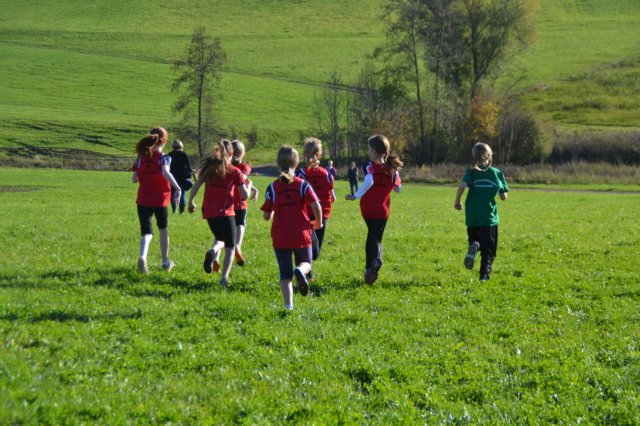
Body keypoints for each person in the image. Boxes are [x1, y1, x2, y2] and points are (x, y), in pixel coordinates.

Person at [261, 145, 322, 310]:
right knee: (306, 263)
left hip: (281, 236)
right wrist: (319, 222)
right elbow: (316, 205)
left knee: (285, 274)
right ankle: (301, 271)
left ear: (278, 164)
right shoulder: (303, 185)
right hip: (301, 234)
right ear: (296, 164)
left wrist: (272, 212)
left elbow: (266, 215)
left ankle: (289, 306)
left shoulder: (272, 187)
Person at [188, 139, 250, 287]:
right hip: (226, 213)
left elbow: (196, 186)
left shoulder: (209, 169)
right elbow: (245, 195)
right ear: (231, 154)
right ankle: (224, 278)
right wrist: (249, 186)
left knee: (220, 238)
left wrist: (191, 202)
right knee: (230, 246)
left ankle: (213, 250)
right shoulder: (234, 171)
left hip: (209, 213)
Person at [345, 134, 402, 285]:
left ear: (375, 151)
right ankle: (374, 264)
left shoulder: (368, 166)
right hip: (382, 211)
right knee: (375, 239)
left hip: (368, 210)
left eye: (369, 148)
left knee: (372, 238)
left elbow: (369, 181)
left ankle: (370, 268)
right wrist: (396, 176)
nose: (368, 151)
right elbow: (398, 189)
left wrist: (356, 195)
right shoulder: (391, 169)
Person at [454, 142, 509, 282]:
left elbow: (462, 186)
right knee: (488, 251)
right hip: (488, 217)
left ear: (474, 156)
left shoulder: (471, 172)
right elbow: (503, 197)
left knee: (475, 240)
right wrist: (501, 192)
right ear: (490, 156)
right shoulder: (496, 173)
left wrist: (457, 201)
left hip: (472, 215)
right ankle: (484, 276)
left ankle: (475, 245)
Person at [131, 127, 182, 274]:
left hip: (143, 200)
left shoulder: (140, 158)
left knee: (146, 232)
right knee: (163, 229)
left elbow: (134, 179)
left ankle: (143, 256)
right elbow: (165, 172)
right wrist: (177, 188)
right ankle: (165, 261)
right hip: (160, 200)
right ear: (164, 141)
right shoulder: (163, 158)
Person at [295, 137, 336, 261]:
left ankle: (305, 268)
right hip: (322, 214)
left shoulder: (301, 174)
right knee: (316, 252)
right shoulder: (327, 174)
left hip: (306, 213)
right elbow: (333, 198)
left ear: (304, 154)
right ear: (319, 155)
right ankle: (308, 268)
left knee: (305, 247)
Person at [231, 140, 259, 266]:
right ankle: (238, 246)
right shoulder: (244, 167)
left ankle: (216, 253)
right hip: (240, 201)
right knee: (241, 224)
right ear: (242, 153)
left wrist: (254, 188)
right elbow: (241, 179)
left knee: (226, 229)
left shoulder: (226, 166)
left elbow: (235, 180)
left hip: (227, 202)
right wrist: (251, 186)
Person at [167, 139, 195, 214]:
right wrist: (191, 172)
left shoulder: (170, 154)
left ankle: (174, 210)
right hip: (182, 177)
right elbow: (189, 166)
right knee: (182, 193)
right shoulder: (184, 154)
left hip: (172, 176)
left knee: (173, 193)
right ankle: (181, 211)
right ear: (181, 146)